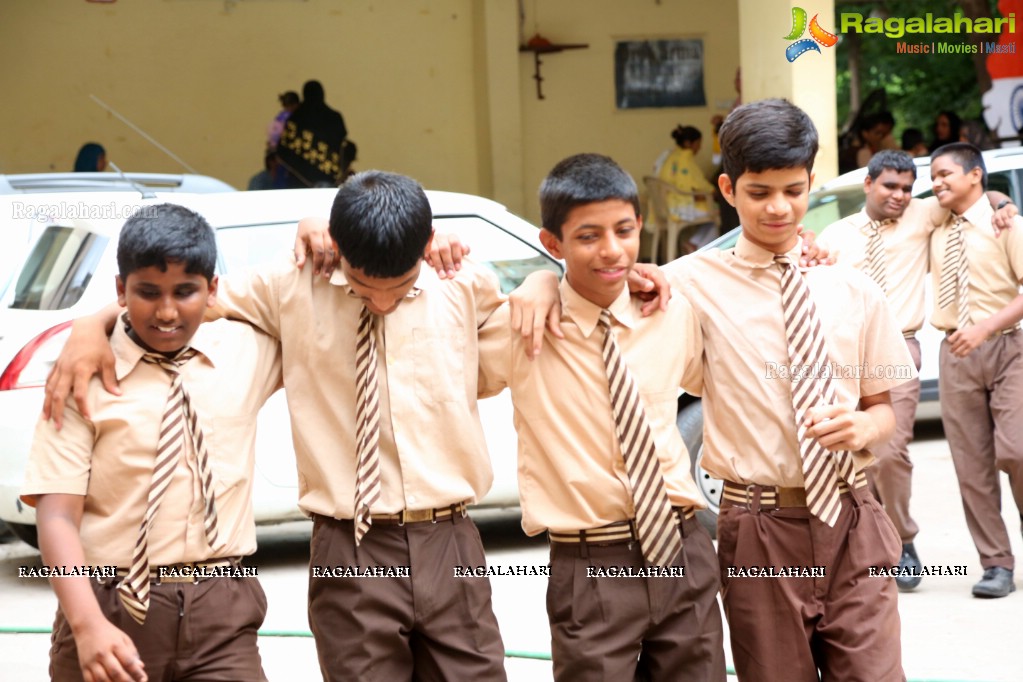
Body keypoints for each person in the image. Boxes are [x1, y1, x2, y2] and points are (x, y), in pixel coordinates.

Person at [43, 172, 509, 681]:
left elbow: (524, 318)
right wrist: (90, 324)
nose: (379, 304)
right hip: (349, 544)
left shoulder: (463, 285)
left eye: (397, 289)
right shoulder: (288, 288)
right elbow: (183, 299)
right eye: (362, 288)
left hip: (451, 538)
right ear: (339, 249)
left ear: (424, 251)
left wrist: (539, 286)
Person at [661, 99, 915, 681]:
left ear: (810, 185)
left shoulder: (850, 287)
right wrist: (541, 291)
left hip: (853, 517)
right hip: (758, 530)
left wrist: (863, 427)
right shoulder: (690, 284)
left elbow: (885, 410)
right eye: (759, 192)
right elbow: (600, 293)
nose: (778, 208)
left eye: (793, 191)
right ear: (728, 188)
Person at [477, 153, 725, 681]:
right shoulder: (520, 329)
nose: (612, 250)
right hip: (591, 564)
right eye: (588, 236)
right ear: (553, 244)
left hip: (683, 548)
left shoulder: (670, 310)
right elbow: (431, 327)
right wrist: (539, 283)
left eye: (624, 230)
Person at [21, 204, 283, 682]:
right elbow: (57, 514)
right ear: (120, 290)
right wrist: (87, 625)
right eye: (147, 293)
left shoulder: (247, 350)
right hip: (108, 601)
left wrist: (315, 230)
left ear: (212, 291)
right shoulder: (82, 375)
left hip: (221, 610)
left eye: (185, 292)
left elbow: (309, 296)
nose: (166, 312)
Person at [816, 150, 1018, 592]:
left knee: (890, 453)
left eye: (909, 188)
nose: (902, 195)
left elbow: (977, 195)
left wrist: (1004, 203)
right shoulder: (836, 233)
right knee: (855, 457)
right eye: (891, 186)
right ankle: (904, 542)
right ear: (868, 184)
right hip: (849, 356)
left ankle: (901, 541)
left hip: (901, 347)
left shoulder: (924, 212)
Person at [928, 142, 1023, 599]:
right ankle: (996, 565)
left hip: (1010, 346)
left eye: (945, 174)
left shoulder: (1007, 224)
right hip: (957, 354)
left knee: (1018, 450)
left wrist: (985, 327)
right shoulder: (930, 223)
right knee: (972, 468)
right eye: (932, 176)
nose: (936, 182)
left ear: (974, 176)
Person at [655, 125, 719, 251]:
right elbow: (695, 185)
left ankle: (693, 244)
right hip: (679, 207)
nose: (699, 148)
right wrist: (713, 191)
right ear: (689, 143)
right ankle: (699, 251)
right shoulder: (685, 159)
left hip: (665, 206)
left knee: (711, 217)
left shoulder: (670, 156)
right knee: (716, 216)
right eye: (698, 144)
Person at [276, 80, 349, 188]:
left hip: (298, 185)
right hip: (328, 180)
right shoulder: (335, 117)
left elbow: (285, 148)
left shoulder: (296, 118)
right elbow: (342, 144)